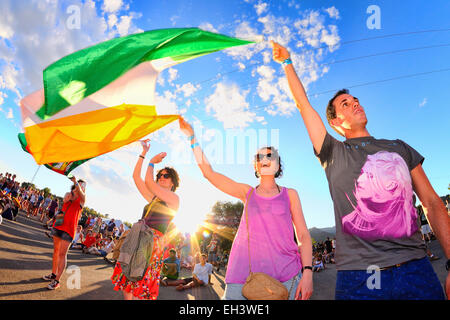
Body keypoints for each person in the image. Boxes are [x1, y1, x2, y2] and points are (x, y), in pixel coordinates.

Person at [271, 41, 449, 300]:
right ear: (334, 122)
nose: (355, 103)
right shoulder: (332, 152)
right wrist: (287, 62)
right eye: (345, 104)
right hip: (358, 278)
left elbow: (432, 203)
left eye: (355, 99)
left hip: (416, 269)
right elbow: (303, 105)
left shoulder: (399, 147)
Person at [179, 118, 313, 300]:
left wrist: (308, 272)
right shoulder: (247, 193)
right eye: (260, 157)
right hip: (243, 275)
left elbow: (303, 236)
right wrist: (192, 138)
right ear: (256, 166)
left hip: (287, 274)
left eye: (270, 156)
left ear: (278, 165)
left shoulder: (290, 194)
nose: (265, 159)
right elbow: (209, 174)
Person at [111, 139, 180, 300]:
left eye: (166, 175)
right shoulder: (154, 198)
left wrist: (151, 163)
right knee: (127, 275)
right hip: (138, 238)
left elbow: (148, 181)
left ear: (173, 182)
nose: (161, 177)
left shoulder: (174, 199)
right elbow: (136, 177)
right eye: (160, 175)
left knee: (143, 283)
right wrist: (143, 154)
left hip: (152, 243)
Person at [43, 176, 86, 290]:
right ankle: (53, 274)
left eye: (82, 185)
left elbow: (82, 195)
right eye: (80, 184)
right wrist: (73, 190)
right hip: (60, 224)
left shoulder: (82, 199)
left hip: (69, 229)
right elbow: (66, 200)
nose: (81, 186)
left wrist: (77, 184)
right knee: (56, 251)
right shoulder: (69, 194)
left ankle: (57, 280)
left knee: (62, 254)